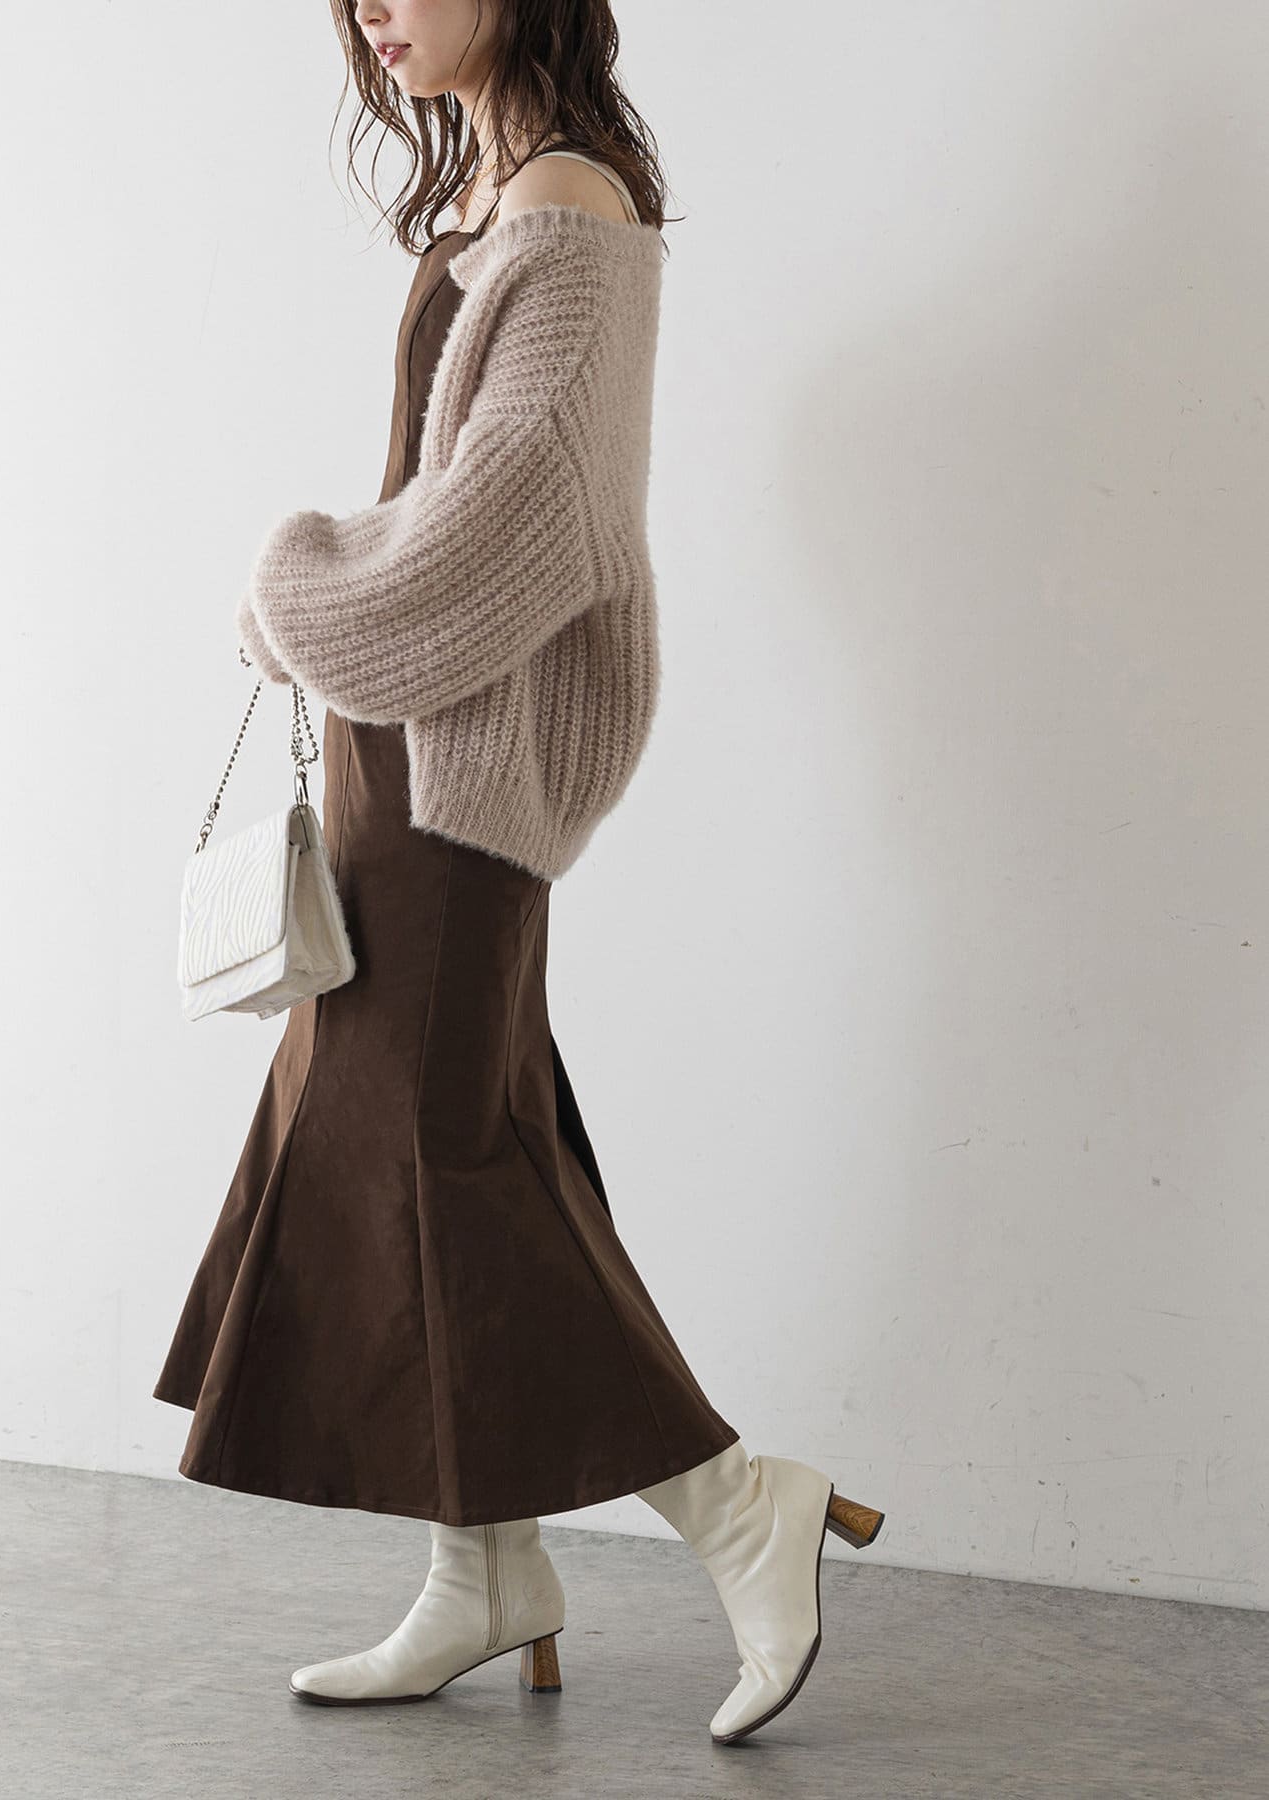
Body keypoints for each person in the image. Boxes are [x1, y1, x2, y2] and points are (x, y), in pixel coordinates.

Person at [153, 0, 883, 1746]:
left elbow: (522, 524)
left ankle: (739, 1505)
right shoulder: (509, 191)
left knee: (442, 1159)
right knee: (439, 1148)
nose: (371, 8)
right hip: (406, 758)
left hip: (455, 778)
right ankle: (481, 1575)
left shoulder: (567, 206)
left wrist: (292, 581)